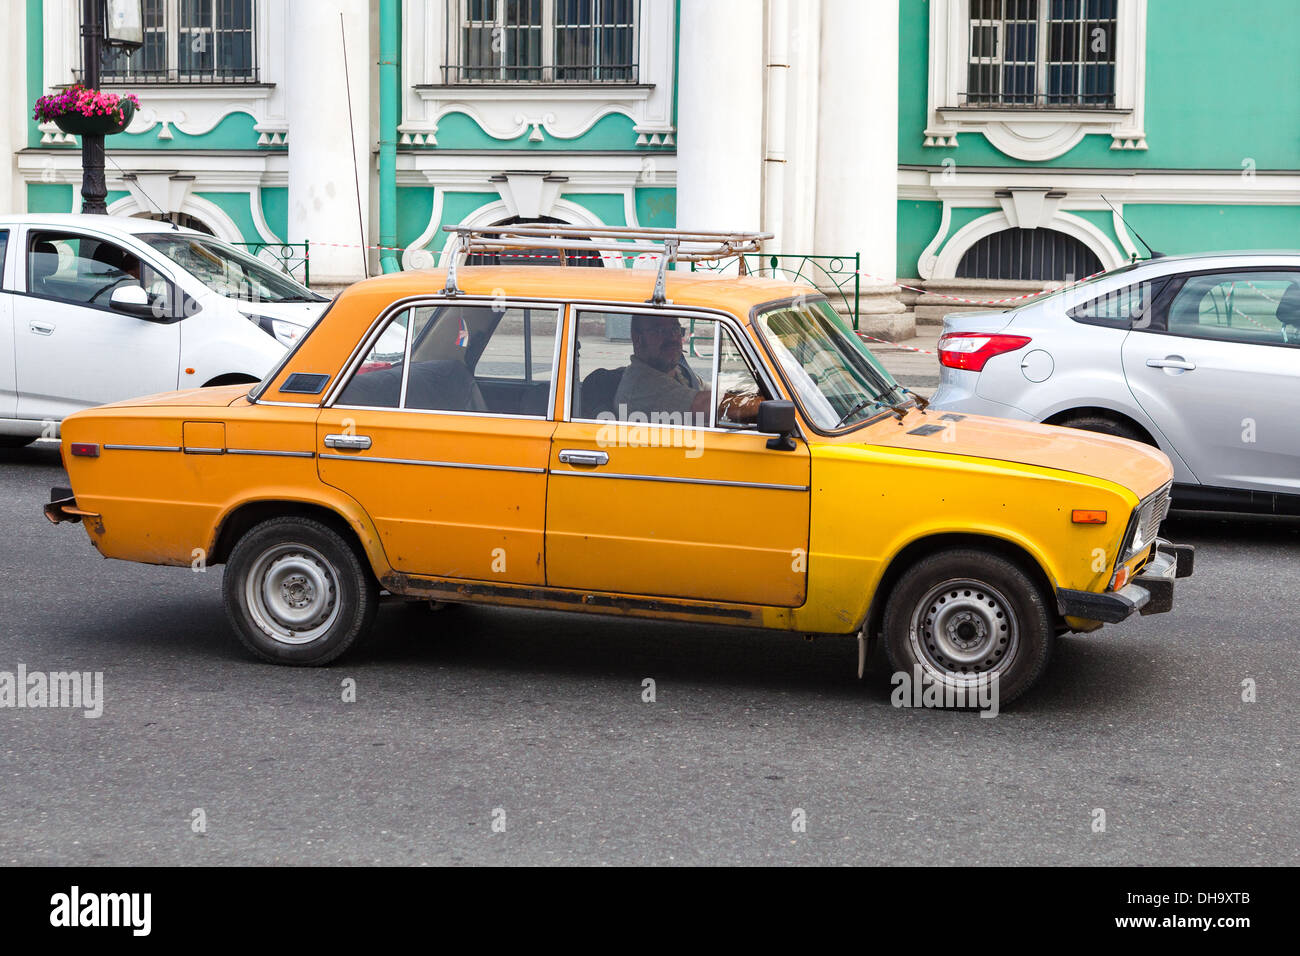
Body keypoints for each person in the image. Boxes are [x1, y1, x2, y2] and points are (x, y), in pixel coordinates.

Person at [612, 314, 762, 425]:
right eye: (660, 331)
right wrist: (763, 405)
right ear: (638, 339)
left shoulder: (675, 371)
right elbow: (707, 404)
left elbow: (710, 391)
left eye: (675, 329)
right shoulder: (642, 385)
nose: (672, 338)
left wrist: (751, 393)